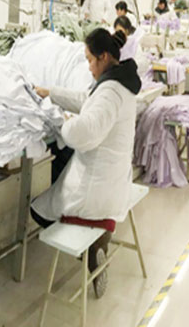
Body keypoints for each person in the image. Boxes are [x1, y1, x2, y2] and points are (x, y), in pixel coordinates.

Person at [32, 28, 140, 298]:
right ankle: (98, 240)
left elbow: (83, 133)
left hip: (96, 190)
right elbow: (87, 100)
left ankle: (91, 251)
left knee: (37, 210)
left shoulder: (110, 92)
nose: (88, 67)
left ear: (104, 57)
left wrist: (65, 122)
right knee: (63, 163)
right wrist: (50, 92)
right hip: (114, 180)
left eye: (90, 60)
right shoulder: (120, 82)